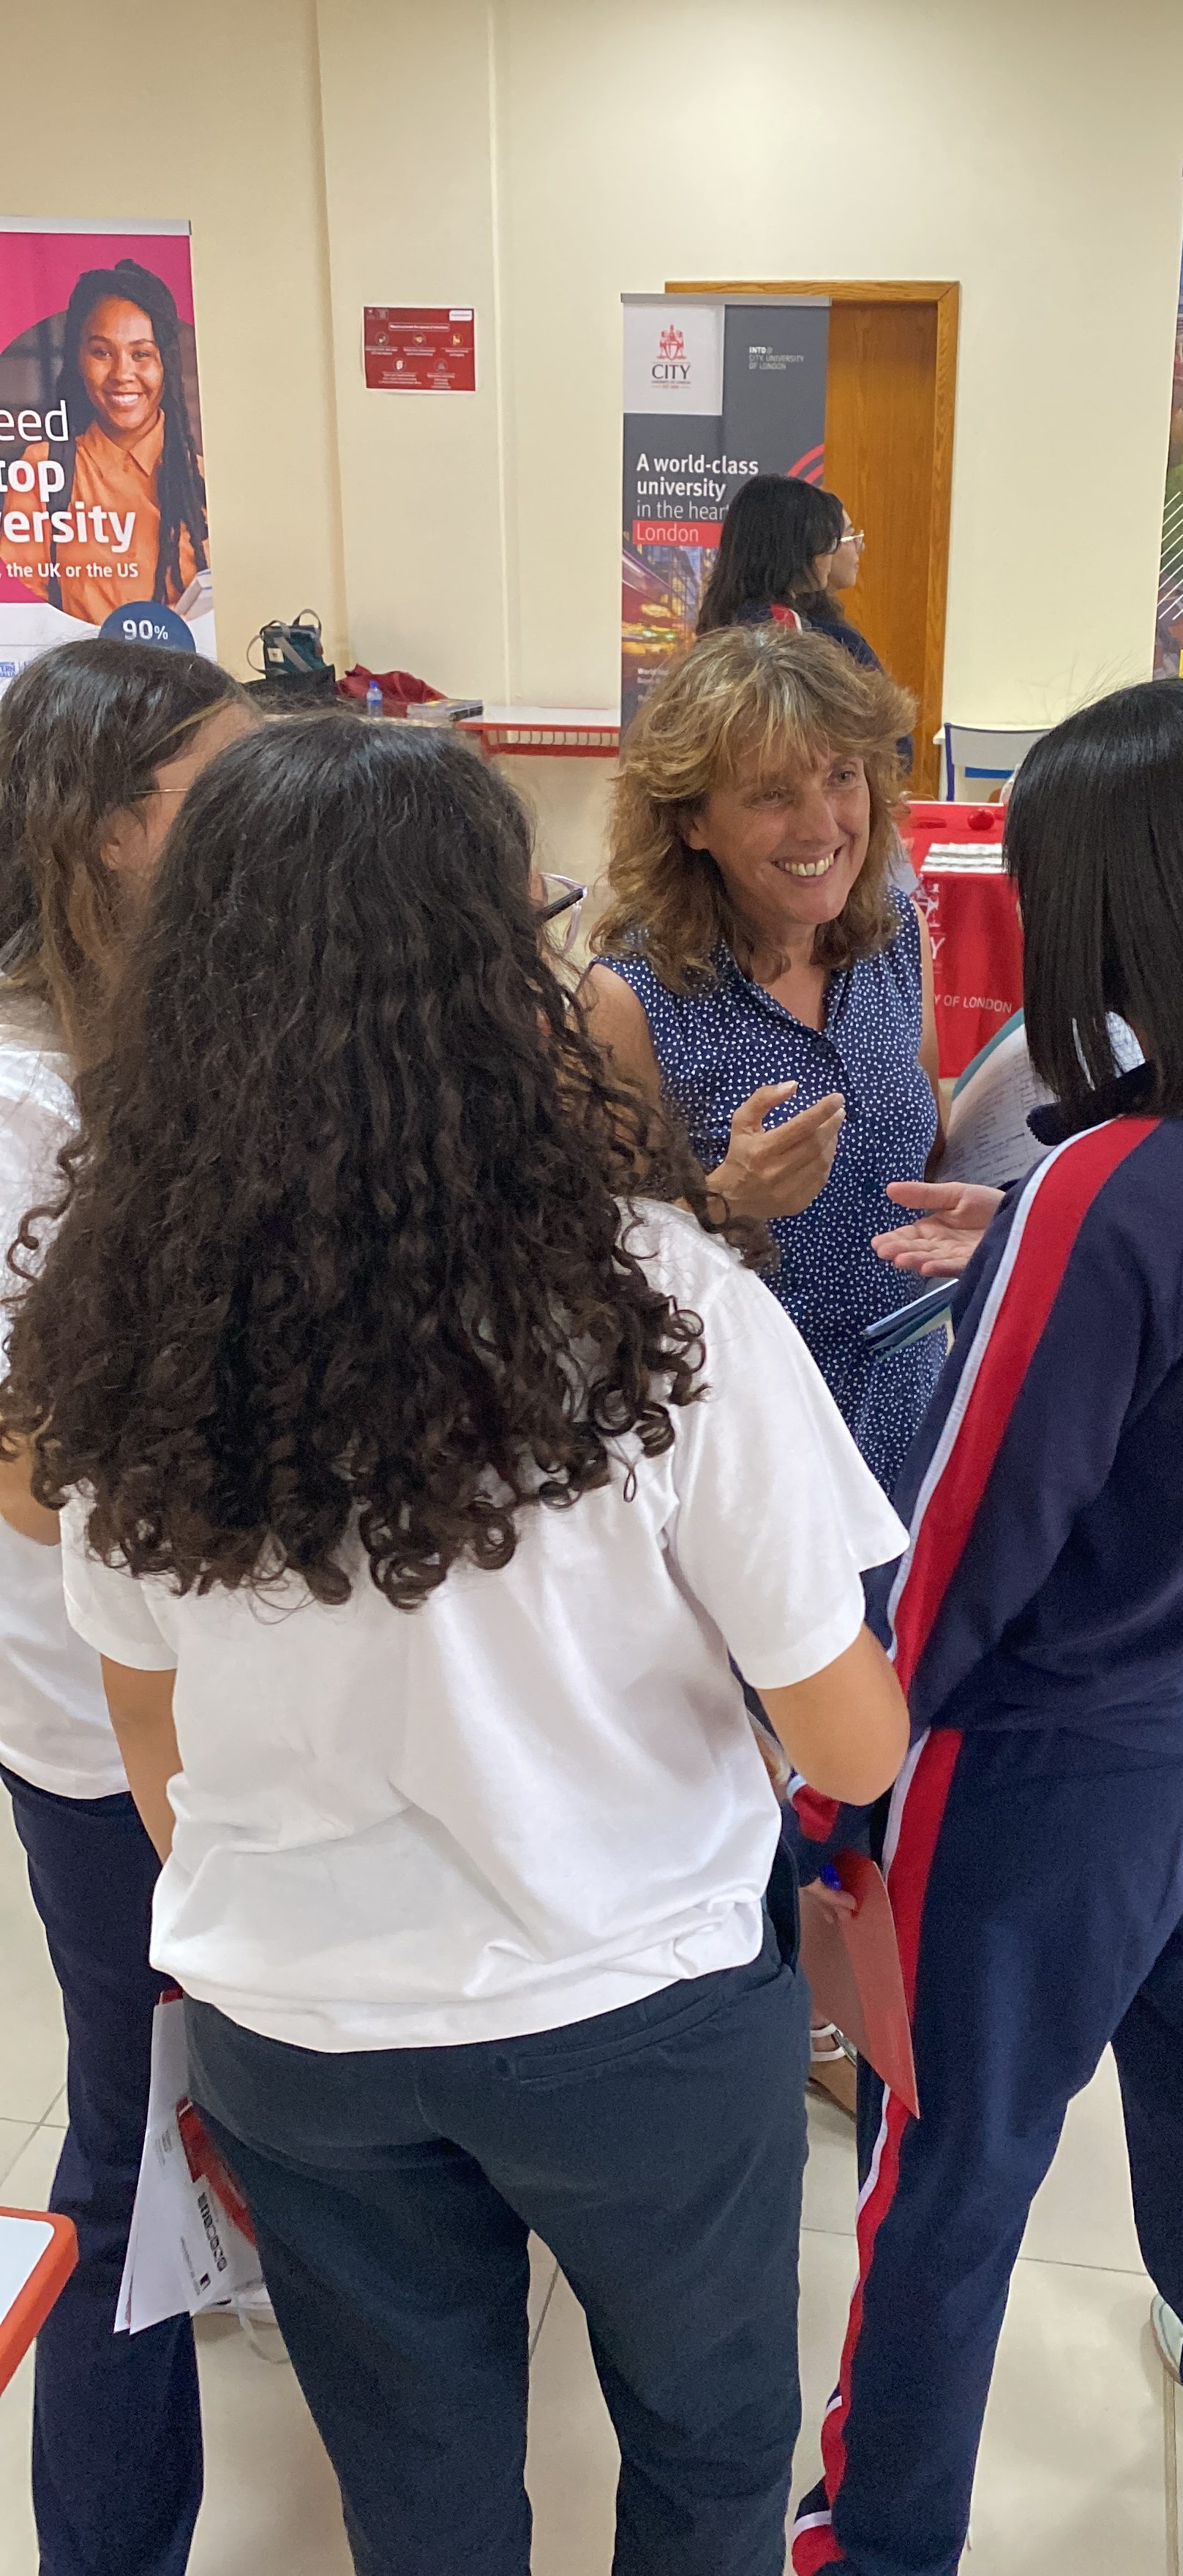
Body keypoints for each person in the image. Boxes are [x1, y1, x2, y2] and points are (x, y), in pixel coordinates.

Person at [1, 716, 911, 2576]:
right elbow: (851, 1742)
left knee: (416, 2491)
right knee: (706, 2441)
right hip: (636, 2008)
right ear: (492, 981)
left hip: (301, 2030)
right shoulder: (663, 1300)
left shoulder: (127, 1313)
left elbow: (151, 1744)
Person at [789, 676, 1183, 2576]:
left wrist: (833, 1802)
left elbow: (959, 1554)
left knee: (950, 2169)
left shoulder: (1101, 1190)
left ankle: (873, 2542)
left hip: (1050, 1787)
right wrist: (1035, 1264)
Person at [0, 639, 252, 2576]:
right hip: (104, 1726)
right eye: (208, 794)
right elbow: (24, 1473)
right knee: (130, 2133)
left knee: (228, 2101)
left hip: (227, 1695)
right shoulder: (17, 1099)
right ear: (98, 830)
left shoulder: (177, 1024)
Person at [588, 622, 943, 1499]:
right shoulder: (628, 998)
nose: (822, 824)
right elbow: (587, 1272)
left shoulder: (896, 940)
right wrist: (721, 1203)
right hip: (744, 1442)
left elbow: (928, 1145)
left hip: (907, 1405)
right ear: (691, 821)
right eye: (772, 795)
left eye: (842, 776)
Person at [0, 259, 209, 626]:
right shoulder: (44, 468)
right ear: (78, 360)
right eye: (102, 352)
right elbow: (24, 610)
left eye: (141, 354)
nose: (122, 374)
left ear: (166, 364)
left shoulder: (203, 479)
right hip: (78, 664)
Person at [697, 473, 879, 671]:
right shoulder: (784, 632)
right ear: (791, 549)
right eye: (825, 541)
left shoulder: (724, 622)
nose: (830, 553)